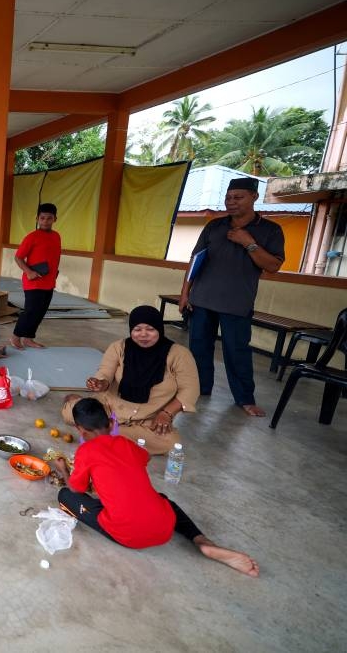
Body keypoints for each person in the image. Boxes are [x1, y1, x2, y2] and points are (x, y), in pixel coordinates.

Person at [51, 398, 259, 577]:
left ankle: (114, 515)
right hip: (163, 527)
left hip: (130, 536)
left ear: (80, 430)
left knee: (65, 495)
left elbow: (76, 488)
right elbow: (145, 457)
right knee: (161, 499)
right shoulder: (126, 443)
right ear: (111, 422)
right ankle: (203, 541)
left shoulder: (86, 450)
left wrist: (63, 470)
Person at [178, 176, 284, 417]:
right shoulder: (214, 227)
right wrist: (185, 293)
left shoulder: (270, 231)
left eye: (238, 197)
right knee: (199, 348)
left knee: (237, 351)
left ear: (254, 198)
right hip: (202, 299)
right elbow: (195, 261)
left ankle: (245, 398)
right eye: (228, 197)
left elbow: (273, 266)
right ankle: (200, 388)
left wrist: (249, 243)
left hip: (237, 303)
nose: (231, 202)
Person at [62, 305, 198, 455]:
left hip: (149, 419)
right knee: (69, 413)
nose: (143, 334)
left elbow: (190, 390)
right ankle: (101, 425)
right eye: (137, 329)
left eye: (150, 329)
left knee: (171, 443)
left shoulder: (179, 354)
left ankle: (100, 430)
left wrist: (167, 413)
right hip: (109, 409)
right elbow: (105, 373)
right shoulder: (119, 347)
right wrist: (101, 383)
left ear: (160, 328)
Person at [11, 203, 61, 349]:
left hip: (49, 282)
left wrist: (55, 273)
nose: (45, 221)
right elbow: (18, 257)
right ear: (37, 219)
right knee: (30, 311)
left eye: (49, 218)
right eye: (42, 218)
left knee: (40, 312)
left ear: (55, 219)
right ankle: (15, 337)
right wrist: (29, 272)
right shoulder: (31, 237)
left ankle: (28, 338)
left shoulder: (57, 236)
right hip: (33, 282)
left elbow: (55, 257)